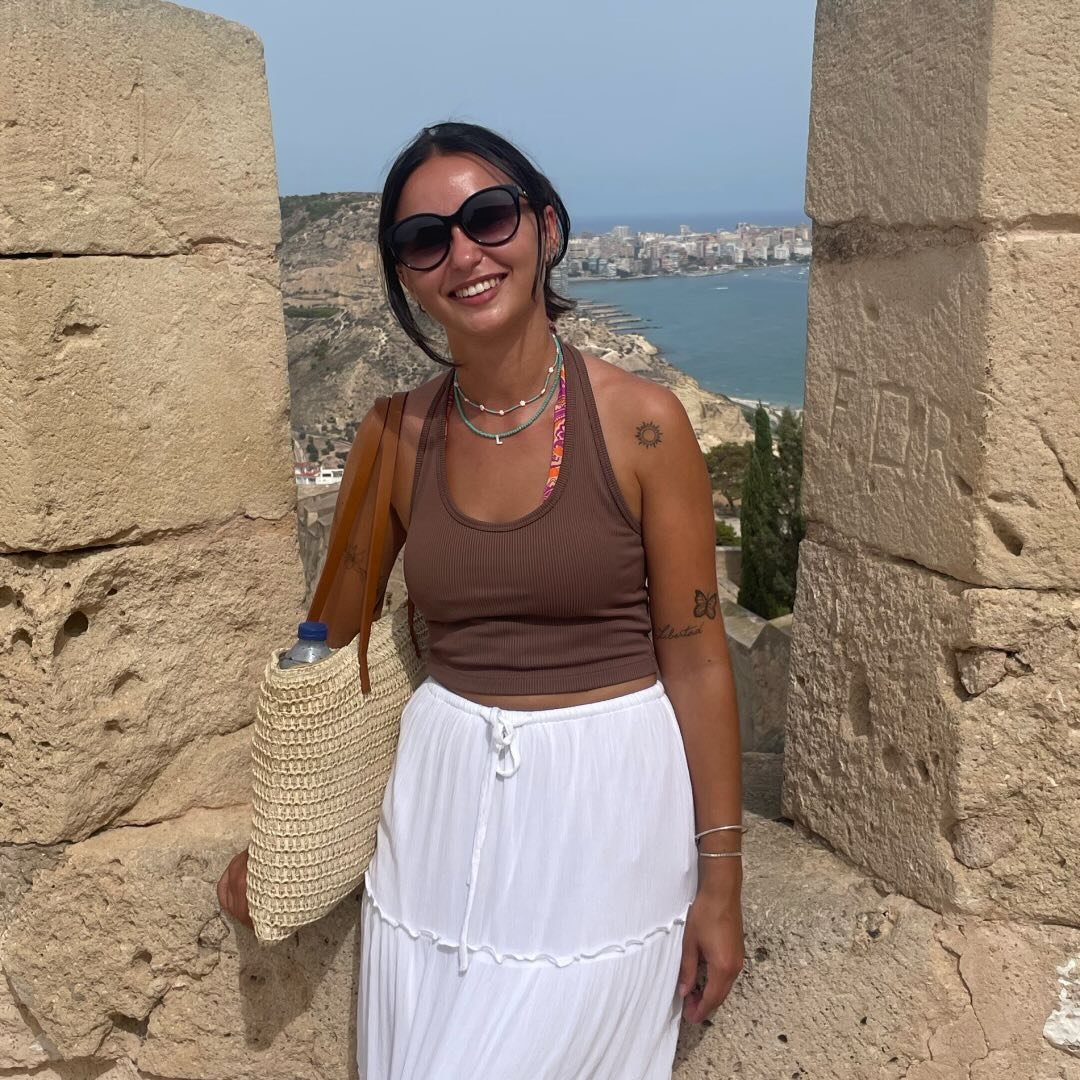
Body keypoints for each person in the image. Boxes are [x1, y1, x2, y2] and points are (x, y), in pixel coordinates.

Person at [218, 121, 744, 1079]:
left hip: (607, 820)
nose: (464, 254)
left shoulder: (645, 425)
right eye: (426, 239)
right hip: (439, 813)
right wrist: (284, 837)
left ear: (546, 228)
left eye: (489, 218)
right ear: (406, 274)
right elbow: (326, 648)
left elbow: (700, 661)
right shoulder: (392, 436)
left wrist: (722, 882)